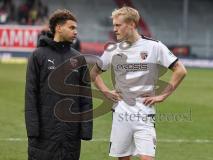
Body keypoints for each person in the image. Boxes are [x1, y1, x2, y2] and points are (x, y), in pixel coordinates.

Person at [90, 6, 187, 160]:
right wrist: (106, 91)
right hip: (121, 113)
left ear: (132, 25)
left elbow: (180, 70)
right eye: (114, 25)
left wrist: (163, 95)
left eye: (118, 25)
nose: (114, 29)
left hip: (145, 113)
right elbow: (94, 73)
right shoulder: (113, 50)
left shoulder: (154, 46)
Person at [25, 9, 92, 160]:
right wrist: (33, 129)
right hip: (44, 134)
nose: (76, 32)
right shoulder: (38, 55)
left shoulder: (79, 59)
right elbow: (31, 95)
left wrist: (86, 129)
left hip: (70, 135)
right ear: (58, 28)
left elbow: (86, 97)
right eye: (72, 27)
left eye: (76, 28)